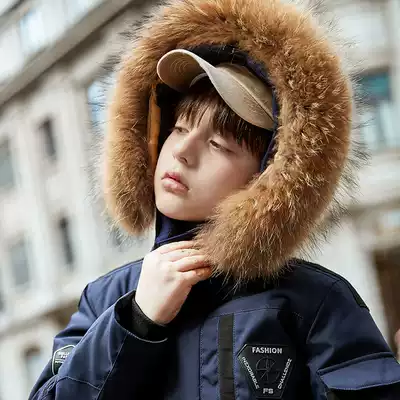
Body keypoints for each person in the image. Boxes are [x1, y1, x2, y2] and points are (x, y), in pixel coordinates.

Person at [30, 0, 400, 399]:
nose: (182, 151)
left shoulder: (313, 301)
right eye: (178, 128)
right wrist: (136, 320)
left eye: (219, 145)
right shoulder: (105, 299)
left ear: (267, 175)